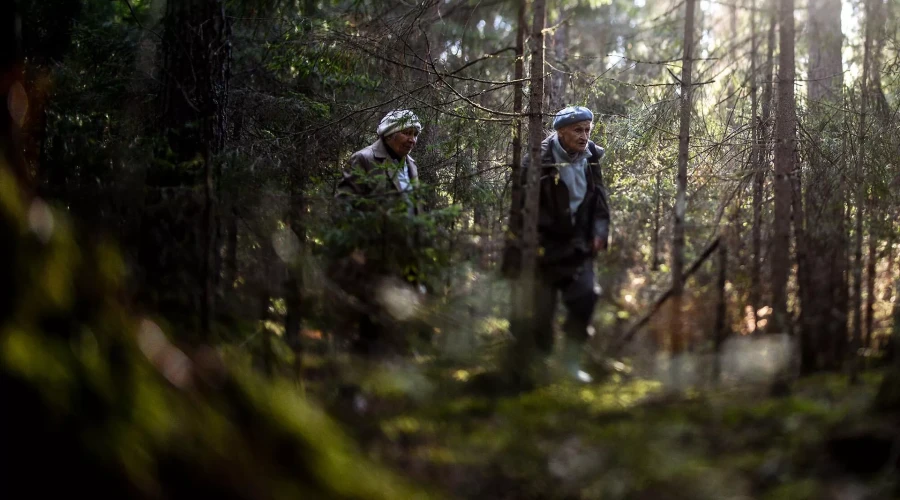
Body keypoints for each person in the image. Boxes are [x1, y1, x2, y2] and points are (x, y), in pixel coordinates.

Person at [511, 106, 611, 383]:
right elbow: (521, 206)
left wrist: (600, 232)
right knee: (541, 310)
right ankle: (540, 366)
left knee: (586, 298)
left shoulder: (591, 157)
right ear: (561, 131)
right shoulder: (538, 159)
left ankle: (571, 363)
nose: (584, 136)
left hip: (580, 244)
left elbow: (600, 200)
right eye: (578, 130)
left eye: (587, 130)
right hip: (546, 245)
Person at [333, 109, 425, 356]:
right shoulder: (364, 159)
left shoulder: (412, 166)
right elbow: (344, 206)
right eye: (407, 133)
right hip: (372, 257)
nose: (412, 140)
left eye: (415, 134)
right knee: (371, 321)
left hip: (404, 256)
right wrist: (356, 248)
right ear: (390, 133)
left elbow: (414, 210)